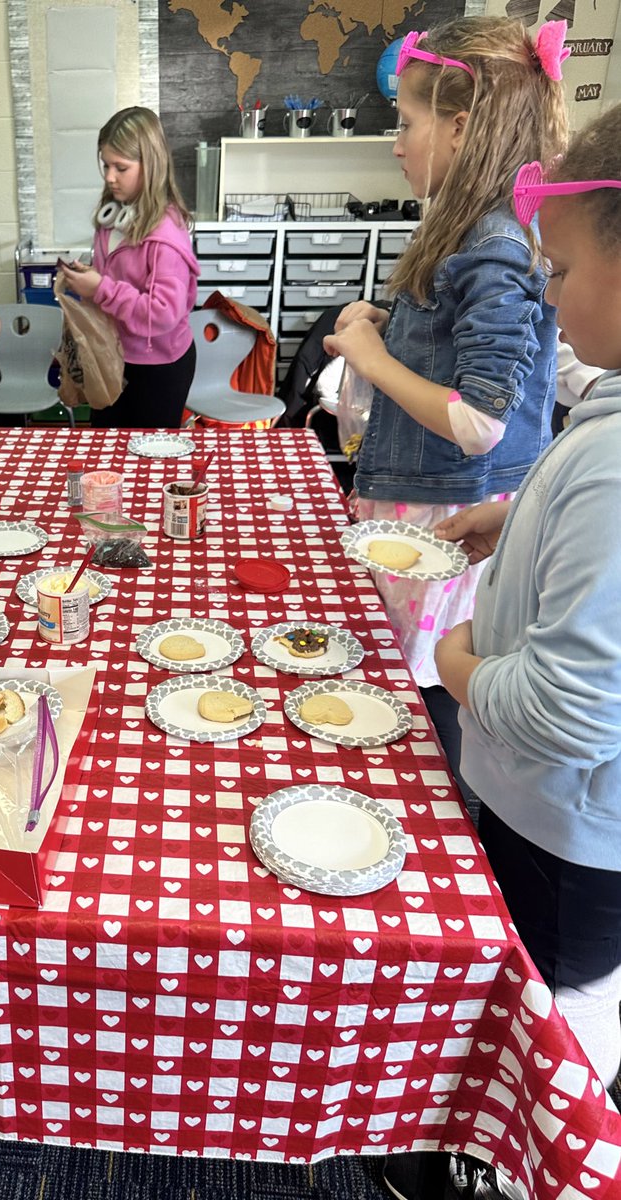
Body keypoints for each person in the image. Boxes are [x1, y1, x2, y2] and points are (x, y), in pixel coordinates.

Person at [433, 103, 621, 1187]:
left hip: (565, 838)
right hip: (564, 829)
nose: (549, 295)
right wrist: (525, 518)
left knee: (553, 1023)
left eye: (564, 270)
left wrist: (458, 670)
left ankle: (531, 1165)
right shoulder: (600, 432)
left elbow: (571, 705)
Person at [322, 16, 568, 799]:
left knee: (418, 703)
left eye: (408, 123)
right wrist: (389, 328)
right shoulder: (467, 231)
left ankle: (420, 820)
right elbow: (457, 352)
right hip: (421, 499)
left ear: (460, 128)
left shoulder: (493, 243)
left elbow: (478, 421)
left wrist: (372, 359)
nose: (397, 143)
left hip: (449, 513)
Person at [57, 106, 199, 429]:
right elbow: (118, 276)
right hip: (113, 356)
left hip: (157, 367)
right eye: (106, 165)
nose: (109, 177)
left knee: (147, 464)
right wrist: (88, 276)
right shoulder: (111, 219)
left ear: (151, 166)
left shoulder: (166, 234)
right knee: (106, 454)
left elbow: (162, 313)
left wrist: (100, 289)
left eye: (121, 167)